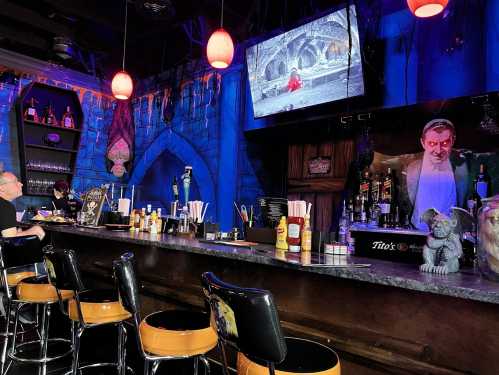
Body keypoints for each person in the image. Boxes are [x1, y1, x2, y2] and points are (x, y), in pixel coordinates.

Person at [404, 119, 469, 230]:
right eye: (432, 144)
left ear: (453, 141)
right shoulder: (411, 167)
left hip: (452, 235)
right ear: (423, 143)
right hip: (417, 233)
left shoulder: (463, 165)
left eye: (444, 143)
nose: (438, 150)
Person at [0, 170, 44, 239]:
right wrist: (35, 230)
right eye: (15, 181)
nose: (21, 184)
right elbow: (9, 240)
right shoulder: (5, 206)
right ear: (2, 188)